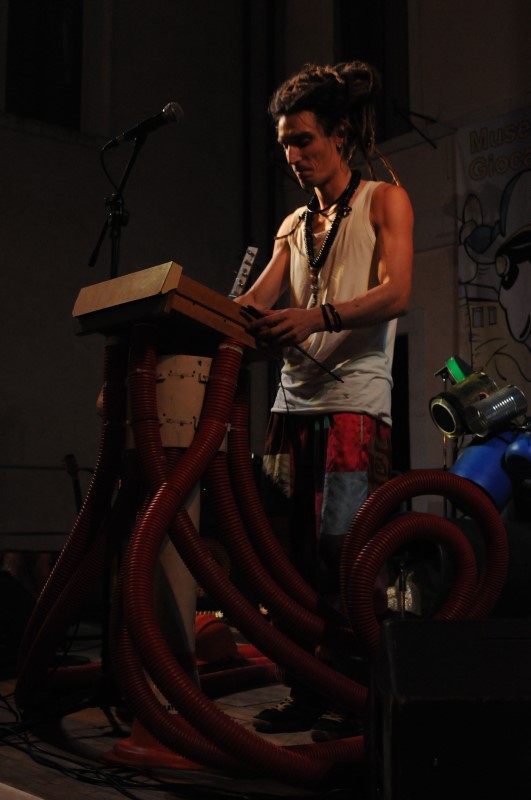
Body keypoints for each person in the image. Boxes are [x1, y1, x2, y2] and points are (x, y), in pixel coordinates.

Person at [235, 61, 414, 740]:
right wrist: (221, 312)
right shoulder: (293, 222)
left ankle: (356, 696)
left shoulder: (384, 200)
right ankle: (308, 691)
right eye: (285, 143)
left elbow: (397, 292)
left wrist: (315, 317)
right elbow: (256, 301)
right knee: (285, 557)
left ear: (340, 135)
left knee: (347, 551)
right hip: (291, 408)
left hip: (352, 408)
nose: (293, 155)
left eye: (304, 139)